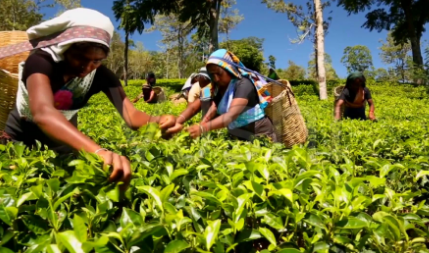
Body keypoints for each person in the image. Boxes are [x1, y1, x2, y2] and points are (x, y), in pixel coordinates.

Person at [0, 8, 176, 190]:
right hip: (19, 137)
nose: (86, 68)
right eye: (79, 58)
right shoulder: (40, 62)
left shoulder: (101, 75)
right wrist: (98, 151)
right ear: (65, 48)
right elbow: (43, 113)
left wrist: (157, 122)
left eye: (96, 61)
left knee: (64, 191)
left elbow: (131, 115)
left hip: (63, 142)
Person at [167, 49, 278, 142]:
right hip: (239, 137)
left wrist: (202, 128)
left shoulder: (244, 84)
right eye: (212, 74)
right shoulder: (219, 88)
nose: (216, 78)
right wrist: (177, 121)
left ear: (229, 69)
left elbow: (231, 115)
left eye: (219, 73)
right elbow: (198, 107)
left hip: (260, 135)